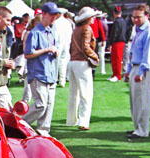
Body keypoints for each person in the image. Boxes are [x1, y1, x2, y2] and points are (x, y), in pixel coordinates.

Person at [125, 4, 150, 140]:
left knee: (142, 99)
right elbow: (133, 51)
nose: (135, 20)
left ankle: (142, 129)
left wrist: (141, 72)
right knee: (135, 99)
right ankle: (137, 127)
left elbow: (149, 53)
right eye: (133, 17)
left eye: (138, 17)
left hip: (144, 68)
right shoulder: (137, 30)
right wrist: (129, 70)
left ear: (147, 16)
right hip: (136, 65)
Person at [23, 2, 61, 136]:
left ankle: (43, 132)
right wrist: (46, 50)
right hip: (38, 73)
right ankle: (20, 123)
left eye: (55, 15)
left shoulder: (50, 32)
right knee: (41, 105)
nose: (54, 17)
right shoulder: (34, 33)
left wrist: (54, 51)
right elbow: (27, 54)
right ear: (43, 14)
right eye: (51, 15)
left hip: (50, 74)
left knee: (49, 106)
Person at [66, 7, 100, 131]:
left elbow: (71, 47)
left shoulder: (76, 29)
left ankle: (71, 120)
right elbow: (86, 47)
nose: (94, 19)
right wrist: (95, 56)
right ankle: (84, 121)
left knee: (73, 93)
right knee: (86, 93)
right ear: (88, 19)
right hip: (82, 63)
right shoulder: (87, 28)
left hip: (73, 62)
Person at [53, 8, 73, 87]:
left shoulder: (56, 23)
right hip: (66, 44)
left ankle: (54, 80)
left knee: (56, 63)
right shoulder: (67, 22)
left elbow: (55, 35)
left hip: (58, 44)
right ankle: (62, 80)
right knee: (63, 62)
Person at [107, 6, 127, 82]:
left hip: (116, 42)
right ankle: (115, 74)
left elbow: (114, 34)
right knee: (117, 59)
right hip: (122, 41)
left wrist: (110, 44)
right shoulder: (123, 21)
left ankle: (117, 75)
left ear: (114, 13)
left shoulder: (116, 22)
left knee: (116, 59)